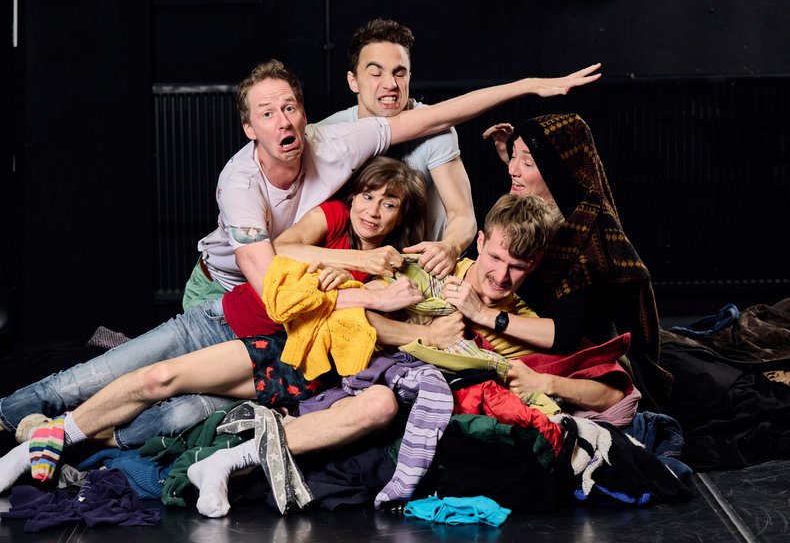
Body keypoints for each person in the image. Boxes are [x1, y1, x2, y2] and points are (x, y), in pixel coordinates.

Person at [0, 194, 632, 516]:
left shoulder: (514, 321)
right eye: (494, 257)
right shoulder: (433, 265)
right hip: (297, 350)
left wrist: (481, 330)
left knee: (176, 419)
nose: (499, 275)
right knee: (161, 377)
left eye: (517, 269)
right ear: (482, 242)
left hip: (325, 391)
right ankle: (39, 442)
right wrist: (385, 303)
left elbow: (606, 382)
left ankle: (86, 445)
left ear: (532, 269)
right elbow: (340, 300)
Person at [0, 157, 443, 450]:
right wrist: (352, 263)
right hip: (221, 322)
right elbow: (279, 250)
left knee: (176, 416)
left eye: (389, 204)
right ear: (354, 197)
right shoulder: (334, 219)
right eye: (367, 196)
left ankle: (73, 438)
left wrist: (365, 291)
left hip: (265, 361)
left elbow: (354, 329)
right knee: (93, 377)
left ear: (401, 217)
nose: (373, 211)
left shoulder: (391, 276)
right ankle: (8, 416)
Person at [182, 58, 603, 310]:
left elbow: (434, 118)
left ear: (304, 114)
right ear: (249, 129)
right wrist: (366, 279)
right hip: (224, 285)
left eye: (289, 108)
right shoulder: (239, 184)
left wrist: (526, 86)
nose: (283, 122)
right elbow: (273, 281)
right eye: (267, 114)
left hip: (294, 282)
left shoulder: (337, 144)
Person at [482, 113, 673, 410]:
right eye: (512, 157)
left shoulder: (581, 244)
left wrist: (486, 315)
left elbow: (566, 336)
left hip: (589, 363)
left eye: (528, 163)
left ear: (556, 174)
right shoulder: (538, 210)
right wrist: (517, 157)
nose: (512, 169)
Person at [319, 18, 477, 279]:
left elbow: (462, 213)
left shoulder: (436, 129)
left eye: (399, 73)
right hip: (355, 273)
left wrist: (450, 246)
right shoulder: (330, 132)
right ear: (353, 81)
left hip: (425, 273)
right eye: (376, 73)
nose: (390, 84)